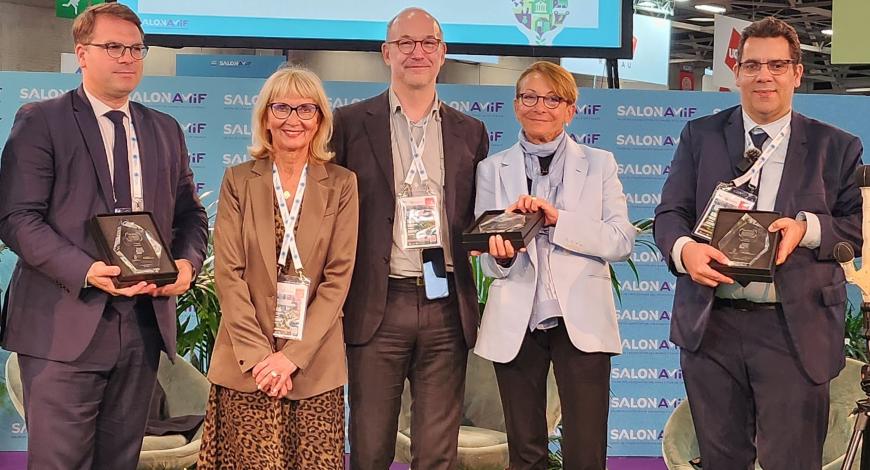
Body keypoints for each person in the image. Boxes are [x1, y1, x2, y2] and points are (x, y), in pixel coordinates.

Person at [0, 4, 208, 469]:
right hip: (63, 326)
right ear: (82, 53)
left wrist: (187, 266)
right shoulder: (41, 121)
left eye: (136, 48)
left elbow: (191, 216)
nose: (127, 57)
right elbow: (17, 217)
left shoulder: (164, 130)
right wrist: (87, 271)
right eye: (113, 47)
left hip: (141, 327)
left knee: (119, 462)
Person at [654, 17, 863, 470]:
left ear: (796, 73)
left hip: (794, 328)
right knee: (720, 459)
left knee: (792, 461)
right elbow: (671, 214)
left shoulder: (837, 147)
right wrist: (685, 251)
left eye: (776, 65)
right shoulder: (700, 136)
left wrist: (806, 228)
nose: (763, 76)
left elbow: (857, 226)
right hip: (713, 326)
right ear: (737, 72)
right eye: (752, 65)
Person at [330, 7, 489, 470]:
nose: (416, 52)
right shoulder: (349, 123)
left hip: (445, 301)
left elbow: (477, 216)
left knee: (437, 452)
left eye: (428, 43)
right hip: (377, 303)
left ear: (442, 55)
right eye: (405, 43)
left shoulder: (470, 132)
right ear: (386, 53)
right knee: (370, 446)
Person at [472, 61, 635, 470]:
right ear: (515, 105)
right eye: (529, 97)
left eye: (552, 98)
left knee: (585, 450)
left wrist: (558, 219)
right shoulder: (492, 169)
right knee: (525, 452)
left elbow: (621, 240)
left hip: (580, 318)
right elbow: (487, 263)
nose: (539, 106)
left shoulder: (600, 164)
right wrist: (502, 254)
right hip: (516, 322)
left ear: (570, 109)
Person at [197, 66, 358, 469]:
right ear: (266, 117)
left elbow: (338, 280)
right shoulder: (238, 180)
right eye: (282, 107)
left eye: (306, 109)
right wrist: (260, 359)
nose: (294, 119)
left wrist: (292, 358)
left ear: (320, 119)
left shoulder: (341, 184)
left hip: (313, 368)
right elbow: (228, 274)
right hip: (246, 367)